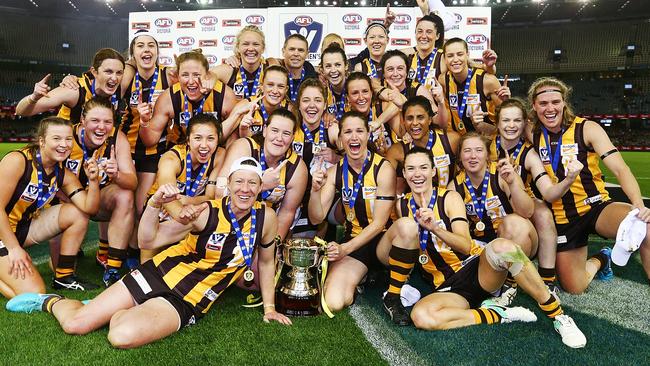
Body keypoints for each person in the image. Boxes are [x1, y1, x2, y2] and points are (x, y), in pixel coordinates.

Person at [6, 158, 291, 349]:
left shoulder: (265, 217)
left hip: (185, 300)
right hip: (156, 274)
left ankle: (115, 308)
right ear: (228, 184)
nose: (245, 189)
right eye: (239, 182)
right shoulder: (205, 212)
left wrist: (269, 308)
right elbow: (147, 239)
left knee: (120, 336)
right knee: (75, 325)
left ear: (260, 188)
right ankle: (50, 301)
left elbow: (266, 262)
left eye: (252, 183)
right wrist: (155, 204)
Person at [388, 147, 587, 349]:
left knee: (503, 247)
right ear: (404, 173)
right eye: (410, 169)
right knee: (421, 317)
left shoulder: (449, 197)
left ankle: (559, 316)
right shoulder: (400, 207)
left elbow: (465, 245)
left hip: (474, 269)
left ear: (433, 171)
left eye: (423, 167)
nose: (417, 174)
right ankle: (497, 314)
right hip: (447, 287)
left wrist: (435, 229)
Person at [526, 77, 650, 292]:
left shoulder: (587, 128)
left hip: (596, 207)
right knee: (574, 287)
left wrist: (638, 205)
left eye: (555, 102)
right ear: (534, 107)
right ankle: (602, 258)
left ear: (564, 102)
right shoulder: (530, 131)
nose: (550, 108)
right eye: (543, 104)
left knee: (644, 225)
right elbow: (499, 122)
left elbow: (621, 169)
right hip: (563, 219)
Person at [488, 98, 583, 303]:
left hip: (519, 209)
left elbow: (547, 191)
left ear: (525, 124)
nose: (511, 125)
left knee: (542, 213)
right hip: (488, 208)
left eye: (517, 120)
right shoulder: (485, 147)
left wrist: (568, 179)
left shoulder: (529, 153)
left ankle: (546, 278)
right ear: (497, 123)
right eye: (505, 120)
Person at [0, 117, 101, 297]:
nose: (64, 144)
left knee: (77, 213)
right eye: (56, 138)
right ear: (41, 141)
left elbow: (89, 208)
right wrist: (14, 249)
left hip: (20, 228)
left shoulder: (60, 172)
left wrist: (93, 181)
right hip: (3, 232)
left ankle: (63, 277)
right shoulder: (18, 161)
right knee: (33, 292)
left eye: (68, 139)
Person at [308, 111, 396, 312]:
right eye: (347, 132)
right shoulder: (334, 172)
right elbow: (316, 217)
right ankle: (362, 278)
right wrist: (314, 191)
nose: (354, 137)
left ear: (367, 135)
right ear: (340, 140)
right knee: (333, 302)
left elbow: (379, 223)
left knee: (407, 229)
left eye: (359, 131)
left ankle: (397, 286)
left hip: (384, 241)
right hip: (356, 241)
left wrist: (344, 249)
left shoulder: (383, 168)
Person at [56, 97, 137, 287]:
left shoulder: (117, 138)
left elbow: (132, 181)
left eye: (107, 121)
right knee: (58, 266)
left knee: (125, 195)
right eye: (95, 121)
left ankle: (113, 269)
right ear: (83, 120)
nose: (101, 127)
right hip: (66, 202)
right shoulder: (67, 137)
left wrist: (116, 174)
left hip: (98, 199)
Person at [140, 113, 225, 262]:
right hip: (161, 209)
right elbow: (167, 195)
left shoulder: (220, 156)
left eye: (210, 138)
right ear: (188, 139)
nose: (204, 145)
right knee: (147, 265)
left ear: (218, 139)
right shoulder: (171, 158)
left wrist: (188, 201)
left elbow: (211, 197)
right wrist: (182, 213)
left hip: (192, 210)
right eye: (198, 138)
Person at [217, 108, 307, 242]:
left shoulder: (297, 168)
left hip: (266, 228)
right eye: (274, 130)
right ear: (265, 130)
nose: (279, 138)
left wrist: (271, 245)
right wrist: (262, 185)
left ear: (293, 138)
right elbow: (219, 193)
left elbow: (286, 213)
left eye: (286, 133)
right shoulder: (244, 147)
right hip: (229, 220)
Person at [139, 50, 238, 148]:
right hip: (180, 149)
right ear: (178, 76)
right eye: (185, 75)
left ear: (208, 75)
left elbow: (233, 136)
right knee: (167, 162)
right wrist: (144, 122)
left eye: (196, 75)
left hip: (215, 151)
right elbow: (150, 141)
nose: (190, 81)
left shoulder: (224, 95)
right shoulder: (169, 97)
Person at [15, 48, 125, 123]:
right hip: (66, 151)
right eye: (108, 72)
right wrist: (33, 97)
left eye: (119, 72)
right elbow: (21, 111)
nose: (114, 78)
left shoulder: (122, 88)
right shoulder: (74, 89)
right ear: (94, 72)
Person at [291, 78, 341, 237]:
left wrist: (336, 157)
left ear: (325, 105)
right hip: (295, 193)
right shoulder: (290, 128)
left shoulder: (331, 128)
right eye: (306, 100)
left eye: (318, 100)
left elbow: (356, 159)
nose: (312, 105)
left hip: (324, 194)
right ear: (298, 105)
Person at [386, 96, 458, 193]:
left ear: (430, 119)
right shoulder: (396, 151)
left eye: (420, 117)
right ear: (403, 121)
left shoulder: (451, 140)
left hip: (448, 203)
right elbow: (386, 186)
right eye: (409, 118)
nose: (415, 123)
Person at [439, 38, 509, 136]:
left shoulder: (487, 80)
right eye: (450, 56)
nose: (455, 60)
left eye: (460, 54)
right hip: (459, 140)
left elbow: (508, 117)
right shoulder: (443, 80)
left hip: (486, 139)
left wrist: (507, 101)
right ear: (445, 58)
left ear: (467, 55)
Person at [213, 26, 277, 99]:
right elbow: (204, 76)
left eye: (256, 44)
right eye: (245, 44)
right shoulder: (229, 69)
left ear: (263, 48)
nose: (250, 48)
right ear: (238, 47)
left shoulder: (270, 67)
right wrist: (210, 79)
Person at [235, 65, 294, 139]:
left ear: (286, 90)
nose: (275, 91)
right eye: (270, 85)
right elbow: (229, 140)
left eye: (280, 86)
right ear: (262, 86)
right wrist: (243, 132)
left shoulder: (291, 111)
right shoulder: (245, 106)